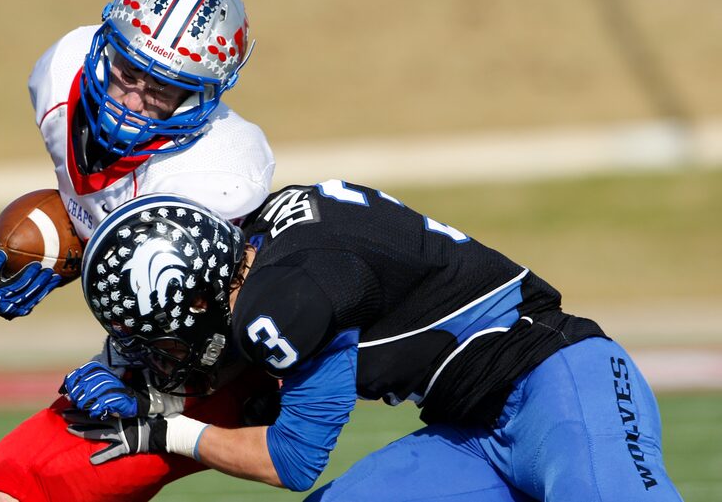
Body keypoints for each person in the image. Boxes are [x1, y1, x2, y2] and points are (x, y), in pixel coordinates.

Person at [69, 182, 685, 501]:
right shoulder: (267, 243)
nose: (166, 353)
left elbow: (292, 461)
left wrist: (167, 431)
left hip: (557, 385)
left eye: (163, 337)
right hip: (474, 432)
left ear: (200, 294)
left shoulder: (281, 304)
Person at [0, 0, 277, 502]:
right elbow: (99, 202)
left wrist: (148, 398)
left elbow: (214, 324)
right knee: (14, 474)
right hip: (153, 343)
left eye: (163, 90)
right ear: (105, 46)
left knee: (26, 482)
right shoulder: (60, 77)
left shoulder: (215, 174)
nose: (133, 101)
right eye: (128, 73)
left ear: (202, 95)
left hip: (222, 373)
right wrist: (59, 246)